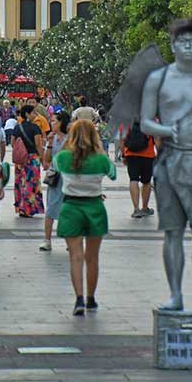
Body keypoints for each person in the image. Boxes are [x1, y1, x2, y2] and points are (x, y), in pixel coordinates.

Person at [53, 110, 116, 315]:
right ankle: (91, 298)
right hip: (95, 207)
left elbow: (54, 165)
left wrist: (66, 143)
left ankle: (78, 298)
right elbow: (113, 174)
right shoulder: (100, 160)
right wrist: (101, 150)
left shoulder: (63, 158)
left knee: (75, 256)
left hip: (70, 208)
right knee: (92, 257)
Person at [40, 110, 71, 251]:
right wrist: (49, 144)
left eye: (54, 121)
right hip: (55, 178)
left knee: (68, 210)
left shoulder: (70, 139)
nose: (51, 123)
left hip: (68, 178)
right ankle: (47, 240)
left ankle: (70, 240)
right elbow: (46, 160)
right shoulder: (52, 138)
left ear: (61, 123)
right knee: (51, 209)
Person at [11, 105, 45, 218]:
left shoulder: (17, 127)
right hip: (32, 159)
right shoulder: (35, 128)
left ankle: (21, 208)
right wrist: (42, 158)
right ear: (27, 114)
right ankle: (28, 209)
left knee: (20, 183)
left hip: (20, 160)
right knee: (31, 183)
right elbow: (38, 144)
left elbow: (13, 143)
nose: (35, 115)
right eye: (33, 113)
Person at [121, 117, 156, 219]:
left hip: (131, 154)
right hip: (148, 155)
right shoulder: (151, 119)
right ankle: (144, 208)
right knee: (146, 182)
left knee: (133, 179)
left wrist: (123, 155)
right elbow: (157, 138)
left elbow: (122, 139)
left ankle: (136, 209)